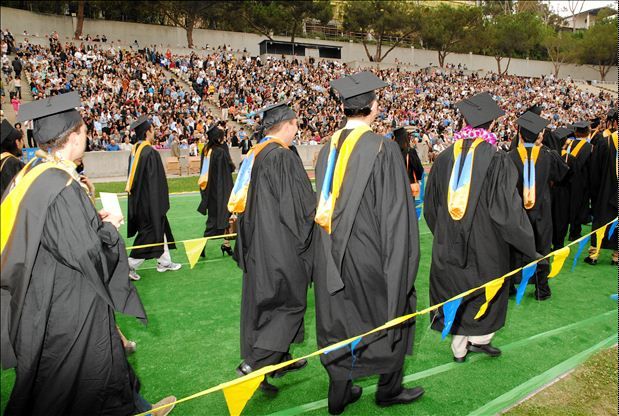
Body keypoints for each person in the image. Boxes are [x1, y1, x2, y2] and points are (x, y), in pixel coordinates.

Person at [3, 92, 175, 416]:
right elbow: (87, 253)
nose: (87, 134)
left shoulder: (34, 173)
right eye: (83, 129)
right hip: (69, 300)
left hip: (46, 292)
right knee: (72, 383)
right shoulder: (59, 185)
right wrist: (109, 228)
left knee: (100, 369)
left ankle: (140, 408)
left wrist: (92, 220)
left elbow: (56, 233)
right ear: (72, 136)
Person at [313, 72, 422, 415]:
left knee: (339, 320)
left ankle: (339, 392)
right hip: (369, 254)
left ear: (343, 109)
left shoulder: (325, 150)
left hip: (330, 254)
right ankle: (389, 389)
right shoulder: (382, 148)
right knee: (391, 311)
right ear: (374, 107)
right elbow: (395, 215)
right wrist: (400, 264)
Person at [424, 92, 538, 364]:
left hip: (448, 243)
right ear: (493, 124)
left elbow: (430, 207)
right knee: (485, 291)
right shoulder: (498, 160)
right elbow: (508, 213)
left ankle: (468, 344)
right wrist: (528, 246)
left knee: (457, 290)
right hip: (488, 245)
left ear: (464, 121)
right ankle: (472, 342)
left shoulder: (443, 158)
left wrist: (445, 235)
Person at [232, 102, 315, 397]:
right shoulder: (281, 156)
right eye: (296, 124)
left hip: (257, 243)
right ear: (288, 124)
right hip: (280, 245)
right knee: (287, 303)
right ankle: (255, 363)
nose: (297, 130)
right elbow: (299, 208)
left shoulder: (256, 154)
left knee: (261, 306)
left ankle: (278, 361)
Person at [507, 111, 569, 300]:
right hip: (542, 210)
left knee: (513, 247)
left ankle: (509, 287)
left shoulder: (508, 157)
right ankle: (541, 289)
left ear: (520, 135)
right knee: (542, 247)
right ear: (540, 135)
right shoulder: (549, 156)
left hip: (517, 212)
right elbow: (561, 175)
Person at [126, 115, 181, 281]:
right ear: (147, 132)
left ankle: (164, 262)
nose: (154, 132)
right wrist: (159, 204)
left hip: (140, 200)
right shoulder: (149, 152)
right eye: (152, 129)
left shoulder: (135, 151)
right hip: (150, 202)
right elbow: (156, 182)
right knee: (149, 234)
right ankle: (129, 265)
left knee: (160, 229)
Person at [552, 121, 593, 247]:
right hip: (581, 181)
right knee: (578, 205)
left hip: (564, 181)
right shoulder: (589, 147)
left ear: (575, 133)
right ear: (587, 132)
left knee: (562, 208)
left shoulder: (569, 145)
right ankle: (574, 232)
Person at [585, 108, 618, 265]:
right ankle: (616, 256)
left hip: (605, 192)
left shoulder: (605, 142)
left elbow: (595, 171)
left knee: (600, 221)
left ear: (615, 123)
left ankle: (594, 254)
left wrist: (595, 192)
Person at [197, 123, 235, 256]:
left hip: (209, 190)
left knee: (219, 219)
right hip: (221, 191)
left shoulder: (206, 150)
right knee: (219, 219)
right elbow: (229, 168)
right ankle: (201, 247)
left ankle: (226, 244)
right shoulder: (220, 152)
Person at [393, 126, 424, 199]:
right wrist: (418, 177)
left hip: (395, 185)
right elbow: (419, 168)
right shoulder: (410, 151)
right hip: (409, 184)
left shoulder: (391, 152)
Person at [0, 119, 25, 196]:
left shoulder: (3, 160)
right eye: (22, 140)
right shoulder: (14, 164)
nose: (23, 143)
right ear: (17, 142)